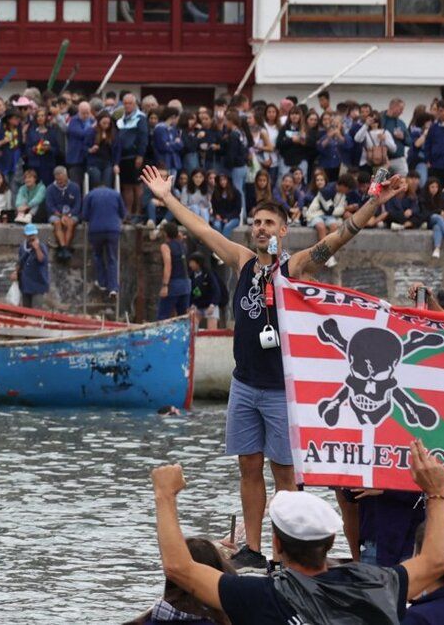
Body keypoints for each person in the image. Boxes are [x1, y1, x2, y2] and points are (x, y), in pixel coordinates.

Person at [143, 163, 409, 555]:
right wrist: (167, 198)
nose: (261, 228)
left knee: (285, 475)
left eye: (269, 222)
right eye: (257, 222)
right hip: (244, 385)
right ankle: (252, 548)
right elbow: (201, 230)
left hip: (282, 390)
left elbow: (339, 237)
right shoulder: (242, 261)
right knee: (248, 468)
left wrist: (373, 202)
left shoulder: (294, 266)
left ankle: (286, 551)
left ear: (283, 230)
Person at [153, 437, 444, 625]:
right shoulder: (376, 584)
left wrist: (165, 495)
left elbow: (180, 568)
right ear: (332, 541)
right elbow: (437, 561)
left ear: (277, 545)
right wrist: (438, 491)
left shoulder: (260, 596)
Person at [82, 177, 126, 296]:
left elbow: (84, 216)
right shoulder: (116, 195)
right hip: (113, 230)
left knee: (97, 255)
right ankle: (113, 287)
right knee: (112, 258)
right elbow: (123, 213)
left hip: (96, 230)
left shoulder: (90, 195)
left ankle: (102, 282)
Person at [16, 221, 49, 308]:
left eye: (32, 235)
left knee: (36, 309)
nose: (31, 238)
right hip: (26, 284)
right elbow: (20, 262)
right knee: (26, 308)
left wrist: (37, 248)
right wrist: (16, 272)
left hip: (38, 283)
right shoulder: (23, 247)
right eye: (29, 236)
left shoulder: (41, 247)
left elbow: (42, 260)